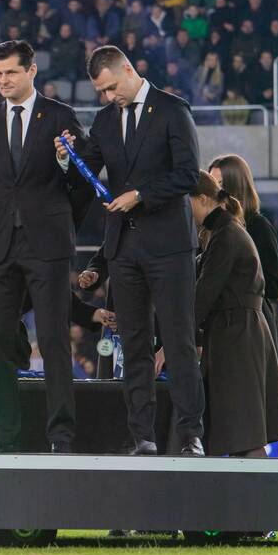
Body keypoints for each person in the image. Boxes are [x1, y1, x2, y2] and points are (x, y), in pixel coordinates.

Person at [63, 44, 205, 456]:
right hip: (124, 250)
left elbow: (186, 175)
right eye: (101, 92)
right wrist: (64, 156)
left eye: (111, 88)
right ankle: (142, 437)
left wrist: (139, 195)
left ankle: (190, 435)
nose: (108, 98)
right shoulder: (106, 120)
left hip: (170, 247)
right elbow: (84, 168)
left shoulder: (173, 109)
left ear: (128, 69)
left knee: (177, 342)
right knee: (134, 344)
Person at [0, 39, 89, 454]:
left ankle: (63, 436)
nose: (3, 81)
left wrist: (66, 161)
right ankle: (8, 437)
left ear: (32, 71)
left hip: (48, 244)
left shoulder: (60, 116)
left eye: (11, 73)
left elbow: (83, 180)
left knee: (54, 341)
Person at [0, 253, 116, 452]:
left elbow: (62, 301)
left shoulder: (38, 264)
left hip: (8, 344)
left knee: (7, 416)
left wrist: (95, 314)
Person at [184, 170, 278, 456]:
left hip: (238, 337)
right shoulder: (225, 231)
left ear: (203, 199)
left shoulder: (226, 235)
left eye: (187, 201)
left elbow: (203, 296)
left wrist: (170, 348)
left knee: (245, 435)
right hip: (234, 333)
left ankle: (262, 498)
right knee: (239, 433)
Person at [208, 155, 278, 348]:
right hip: (219, 323)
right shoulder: (210, 228)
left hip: (251, 325)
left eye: (220, 183)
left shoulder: (258, 227)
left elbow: (274, 284)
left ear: (235, 185)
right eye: (212, 183)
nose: (214, 191)